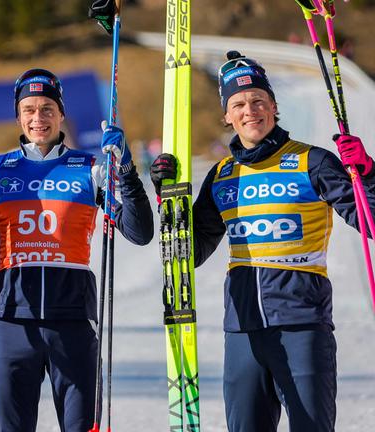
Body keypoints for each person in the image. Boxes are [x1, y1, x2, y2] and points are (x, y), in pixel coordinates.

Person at [149, 51, 375, 432]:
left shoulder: (311, 161)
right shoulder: (222, 175)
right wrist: (168, 200)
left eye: (258, 101)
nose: (249, 110)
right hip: (242, 331)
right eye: (238, 103)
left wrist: (366, 174)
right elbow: (192, 254)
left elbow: (370, 222)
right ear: (227, 115)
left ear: (273, 106)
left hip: (302, 324)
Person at [0, 68, 154, 431]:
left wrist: (125, 168)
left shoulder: (90, 168)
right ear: (18, 116)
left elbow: (139, 232)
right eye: (29, 109)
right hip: (13, 322)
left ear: (61, 114)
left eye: (47, 108)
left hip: (74, 322)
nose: (38, 118)